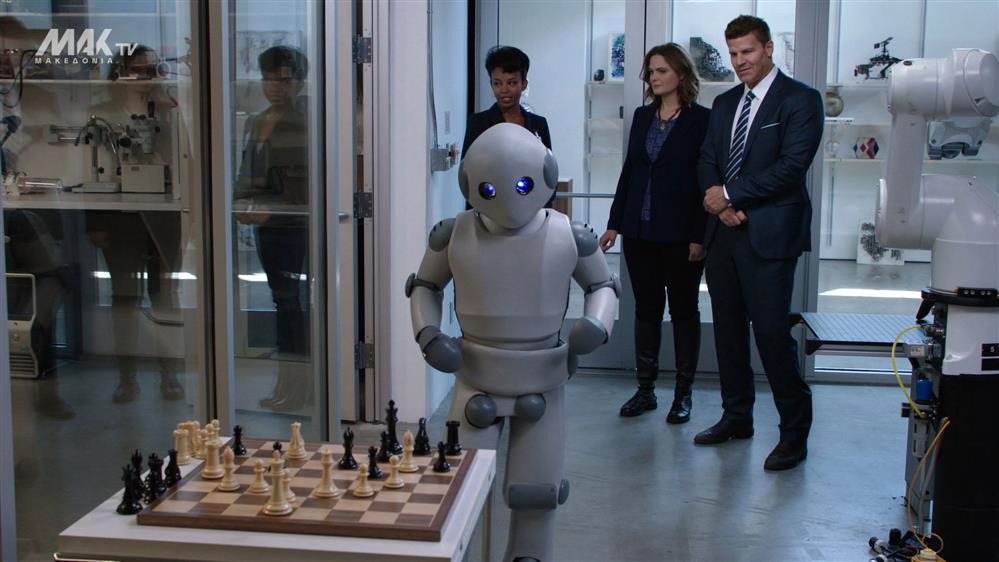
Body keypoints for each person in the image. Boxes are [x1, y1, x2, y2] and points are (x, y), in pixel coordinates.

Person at [695, 15, 823, 471]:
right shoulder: (725, 102)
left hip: (770, 234)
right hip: (724, 233)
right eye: (732, 53)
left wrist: (731, 195)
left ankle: (794, 433)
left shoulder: (801, 100)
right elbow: (707, 160)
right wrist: (719, 205)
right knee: (728, 331)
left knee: (770, 334)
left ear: (768, 48)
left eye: (747, 51)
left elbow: (791, 166)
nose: (739, 61)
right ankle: (737, 417)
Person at [599, 44, 709, 423]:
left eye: (661, 70)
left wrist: (700, 235)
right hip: (639, 231)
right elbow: (630, 171)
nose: (654, 76)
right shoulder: (643, 116)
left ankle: (683, 394)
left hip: (681, 235)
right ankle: (645, 390)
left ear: (681, 73)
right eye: (650, 71)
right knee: (645, 311)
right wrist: (615, 223)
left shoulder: (702, 120)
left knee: (683, 312)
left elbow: (705, 181)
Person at [85, 45, 184, 404]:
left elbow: (185, 158)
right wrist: (95, 219)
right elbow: (86, 169)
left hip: (165, 213)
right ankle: (126, 377)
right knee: (124, 297)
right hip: (119, 216)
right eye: (136, 69)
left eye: (149, 69)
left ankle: (169, 372)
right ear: (119, 73)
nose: (143, 76)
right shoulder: (101, 113)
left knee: (164, 295)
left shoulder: (170, 110)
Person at [234, 45, 311, 412]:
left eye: (284, 80)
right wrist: (240, 201)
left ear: (298, 83)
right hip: (265, 227)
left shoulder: (305, 122)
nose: (275, 87)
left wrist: (271, 209)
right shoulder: (256, 120)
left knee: (293, 306)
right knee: (282, 303)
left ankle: (298, 387)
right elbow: (247, 170)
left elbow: (307, 182)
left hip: (294, 227)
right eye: (268, 79)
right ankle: (286, 384)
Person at [462, 45, 553, 209]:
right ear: (491, 84)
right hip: (488, 209)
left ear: (523, 84)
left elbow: (548, 172)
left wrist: (545, 211)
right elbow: (467, 174)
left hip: (531, 209)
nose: (504, 90)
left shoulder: (539, 124)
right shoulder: (478, 123)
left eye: (511, 83)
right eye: (497, 83)